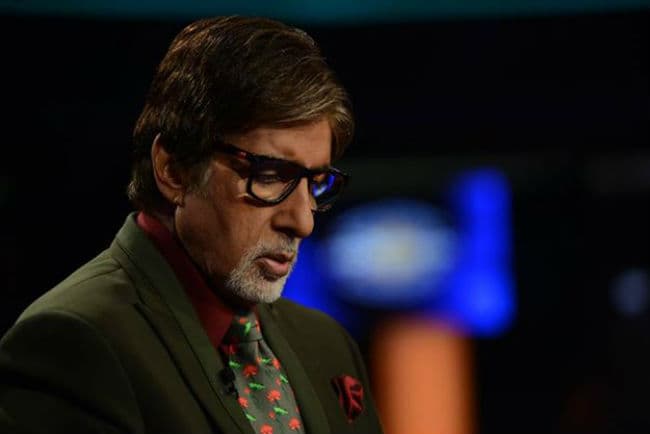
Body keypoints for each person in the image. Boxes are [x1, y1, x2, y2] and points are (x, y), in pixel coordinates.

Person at [0, 16, 383, 434]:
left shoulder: (327, 344)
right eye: (271, 176)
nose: (302, 221)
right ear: (174, 170)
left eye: (316, 183)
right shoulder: (73, 343)